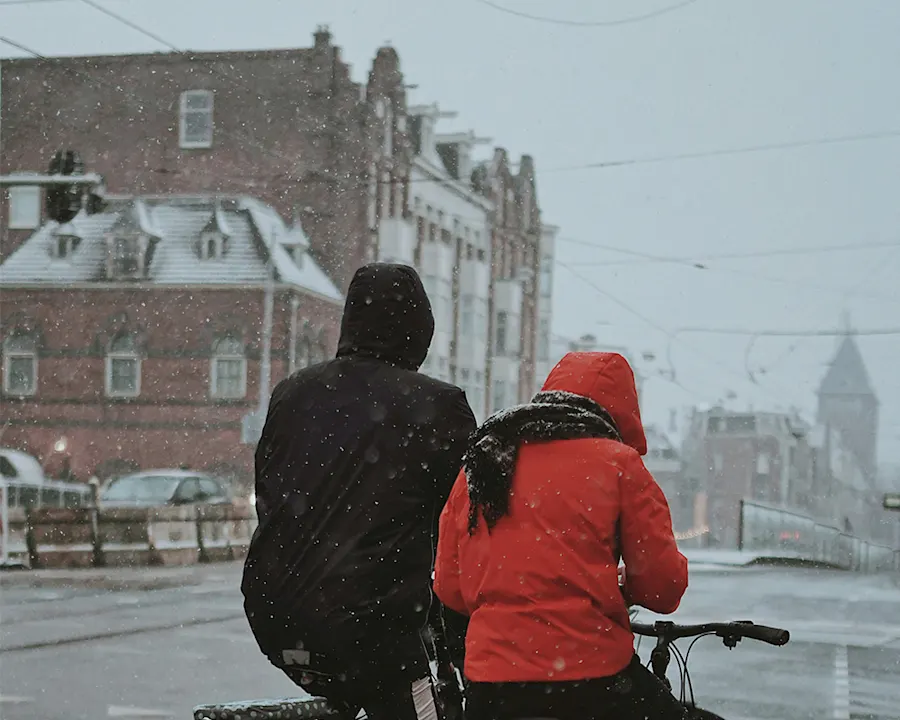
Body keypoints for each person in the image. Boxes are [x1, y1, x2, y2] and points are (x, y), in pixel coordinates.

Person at [242, 262, 477, 720]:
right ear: (420, 331)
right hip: (370, 627)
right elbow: (467, 527)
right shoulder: (438, 404)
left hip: (273, 614)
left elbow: (268, 496)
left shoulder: (291, 392)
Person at [434, 351, 690, 720]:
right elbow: (662, 587)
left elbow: (449, 585)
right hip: (592, 678)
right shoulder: (619, 464)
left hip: (492, 685)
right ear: (621, 414)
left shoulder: (486, 456)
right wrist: (623, 585)